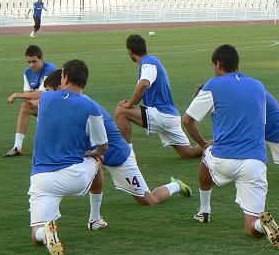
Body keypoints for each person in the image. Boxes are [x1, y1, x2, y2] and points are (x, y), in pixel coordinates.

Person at [36, 69, 192, 226]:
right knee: (89, 169)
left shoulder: (84, 105)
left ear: (60, 88)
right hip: (97, 154)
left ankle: (175, 185)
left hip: (118, 156)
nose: (46, 95)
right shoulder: (65, 104)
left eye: (49, 91)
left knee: (148, 200)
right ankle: (94, 219)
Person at [182, 44, 279, 250]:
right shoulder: (258, 86)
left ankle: (204, 211)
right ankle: (260, 223)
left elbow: (187, 120)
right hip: (255, 162)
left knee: (206, 156)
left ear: (218, 64)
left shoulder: (213, 85)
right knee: (250, 227)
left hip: (224, 159)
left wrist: (203, 144)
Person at [28, 60, 108, 255]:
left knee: (34, 234)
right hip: (74, 175)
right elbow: (103, 145)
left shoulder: (46, 99)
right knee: (98, 160)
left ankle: (44, 233)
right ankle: (95, 218)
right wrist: (94, 153)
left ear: (64, 77)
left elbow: (37, 99)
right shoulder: (91, 106)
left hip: (42, 179)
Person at [115, 34, 202, 159]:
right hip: (171, 116)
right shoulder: (150, 62)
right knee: (188, 153)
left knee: (121, 111)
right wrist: (132, 102)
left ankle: (127, 155)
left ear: (130, 51)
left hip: (161, 114)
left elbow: (144, 84)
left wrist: (129, 105)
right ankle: (220, 145)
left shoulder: (148, 63)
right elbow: (143, 88)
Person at [4, 45, 57, 157]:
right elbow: (28, 95)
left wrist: (16, 95)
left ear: (42, 59)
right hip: (42, 105)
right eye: (29, 62)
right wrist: (34, 97)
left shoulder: (50, 70)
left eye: (34, 61)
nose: (31, 65)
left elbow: (41, 94)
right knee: (25, 106)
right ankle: (17, 147)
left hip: (57, 107)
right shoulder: (27, 72)